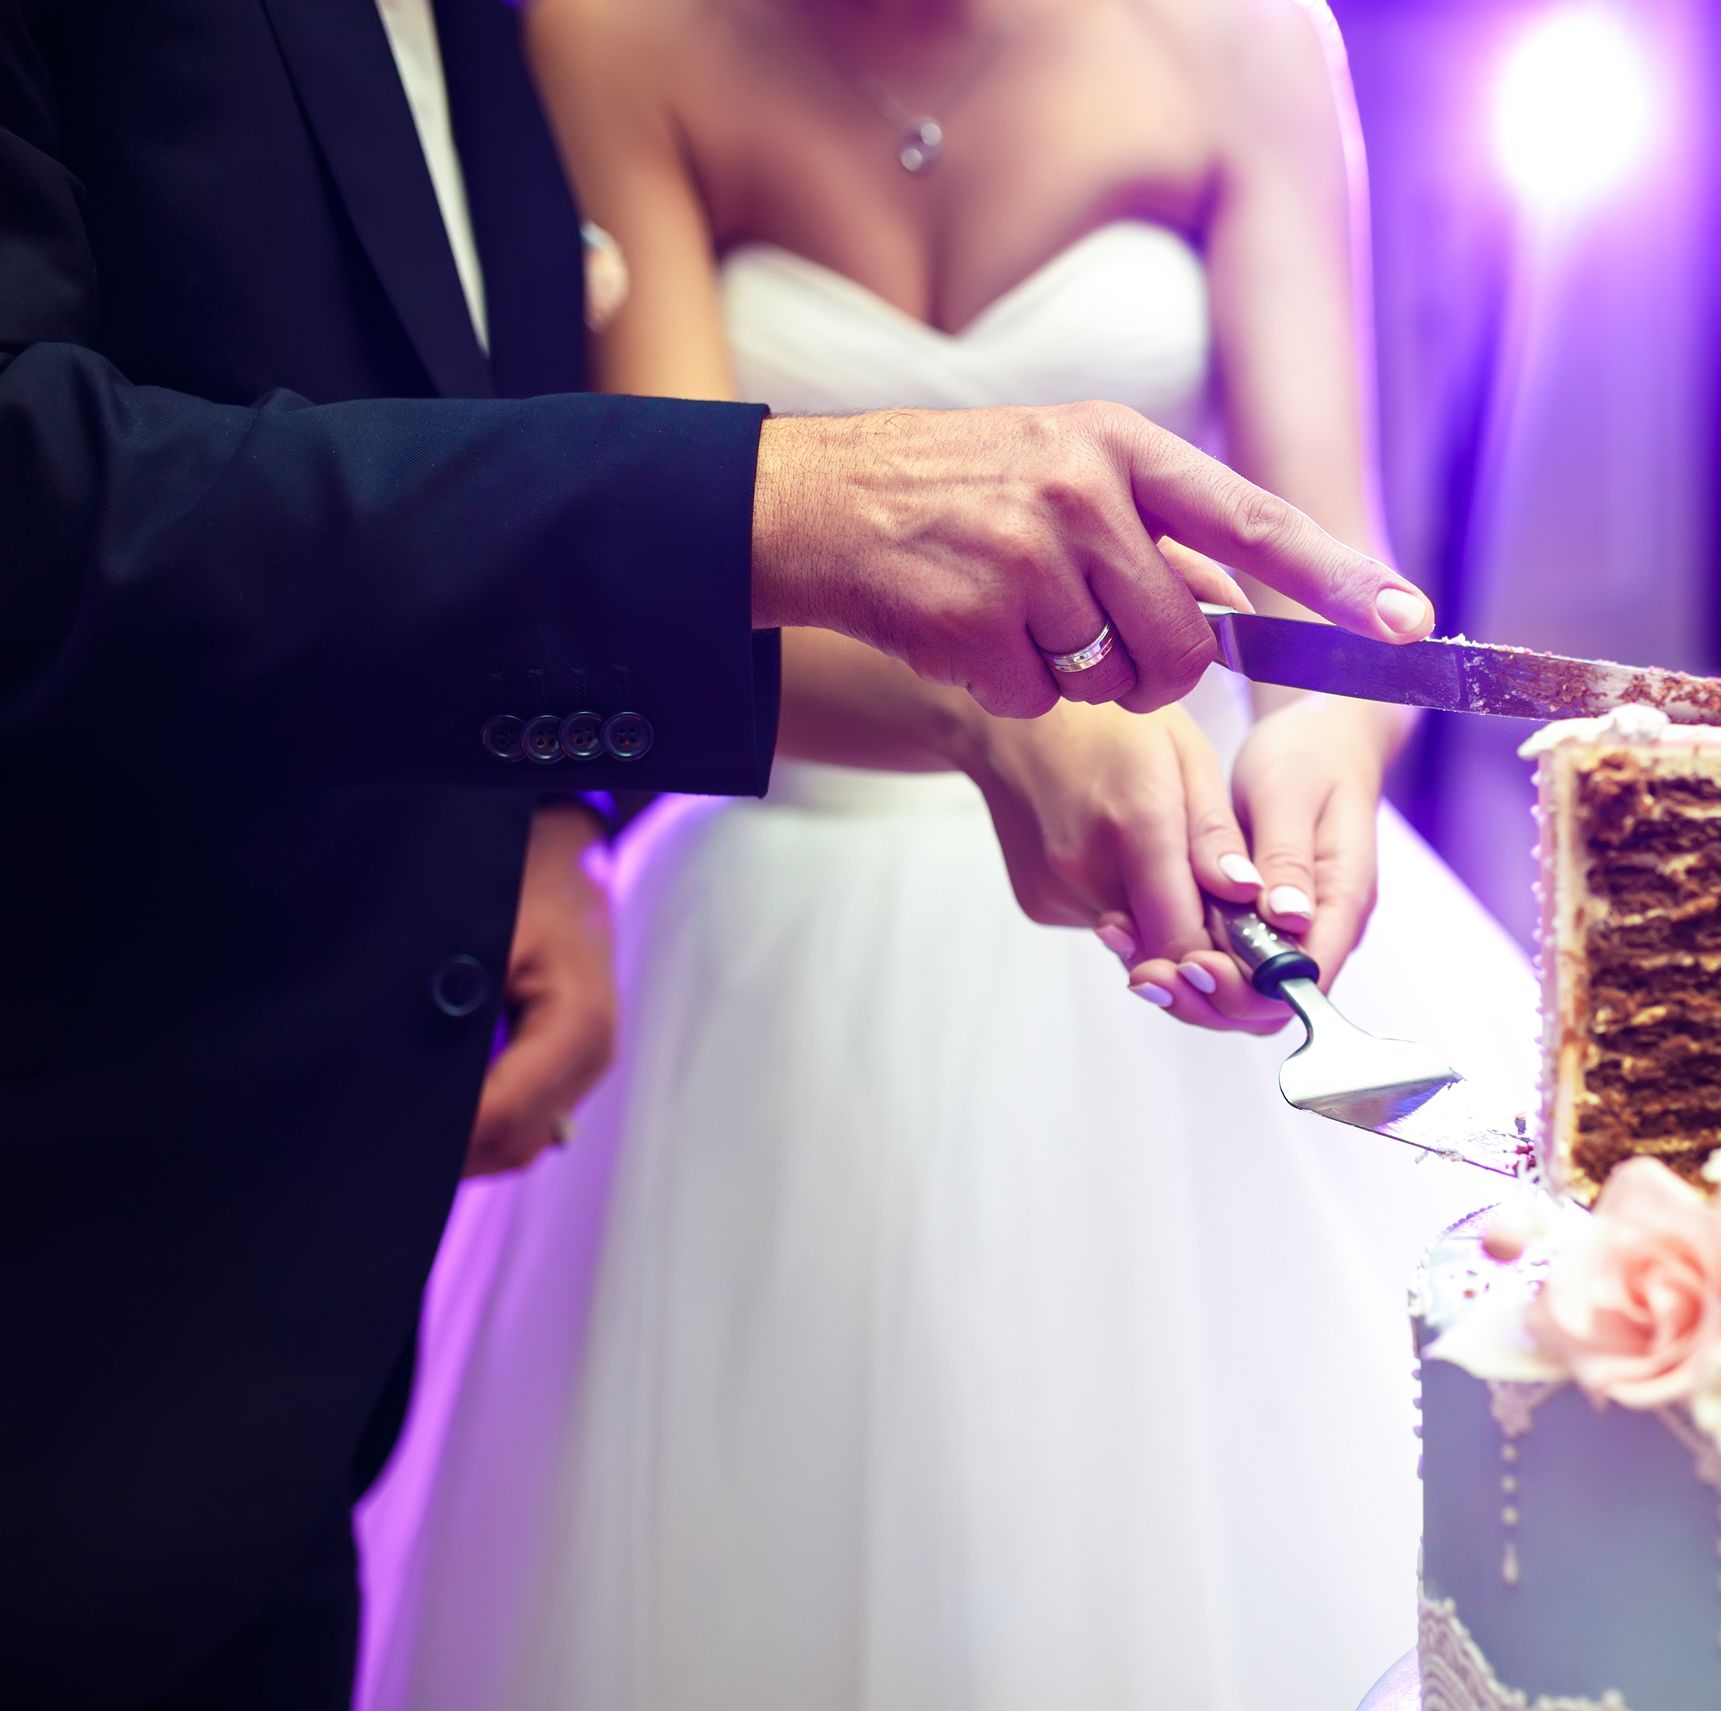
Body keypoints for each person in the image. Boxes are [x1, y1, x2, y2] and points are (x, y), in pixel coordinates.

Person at [0, 0, 1434, 1703]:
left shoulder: (1246, 39)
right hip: (761, 919)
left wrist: (1328, 732)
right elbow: (672, 544)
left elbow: (1331, 562)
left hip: (1175, 862)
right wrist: (988, 710)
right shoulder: (603, 35)